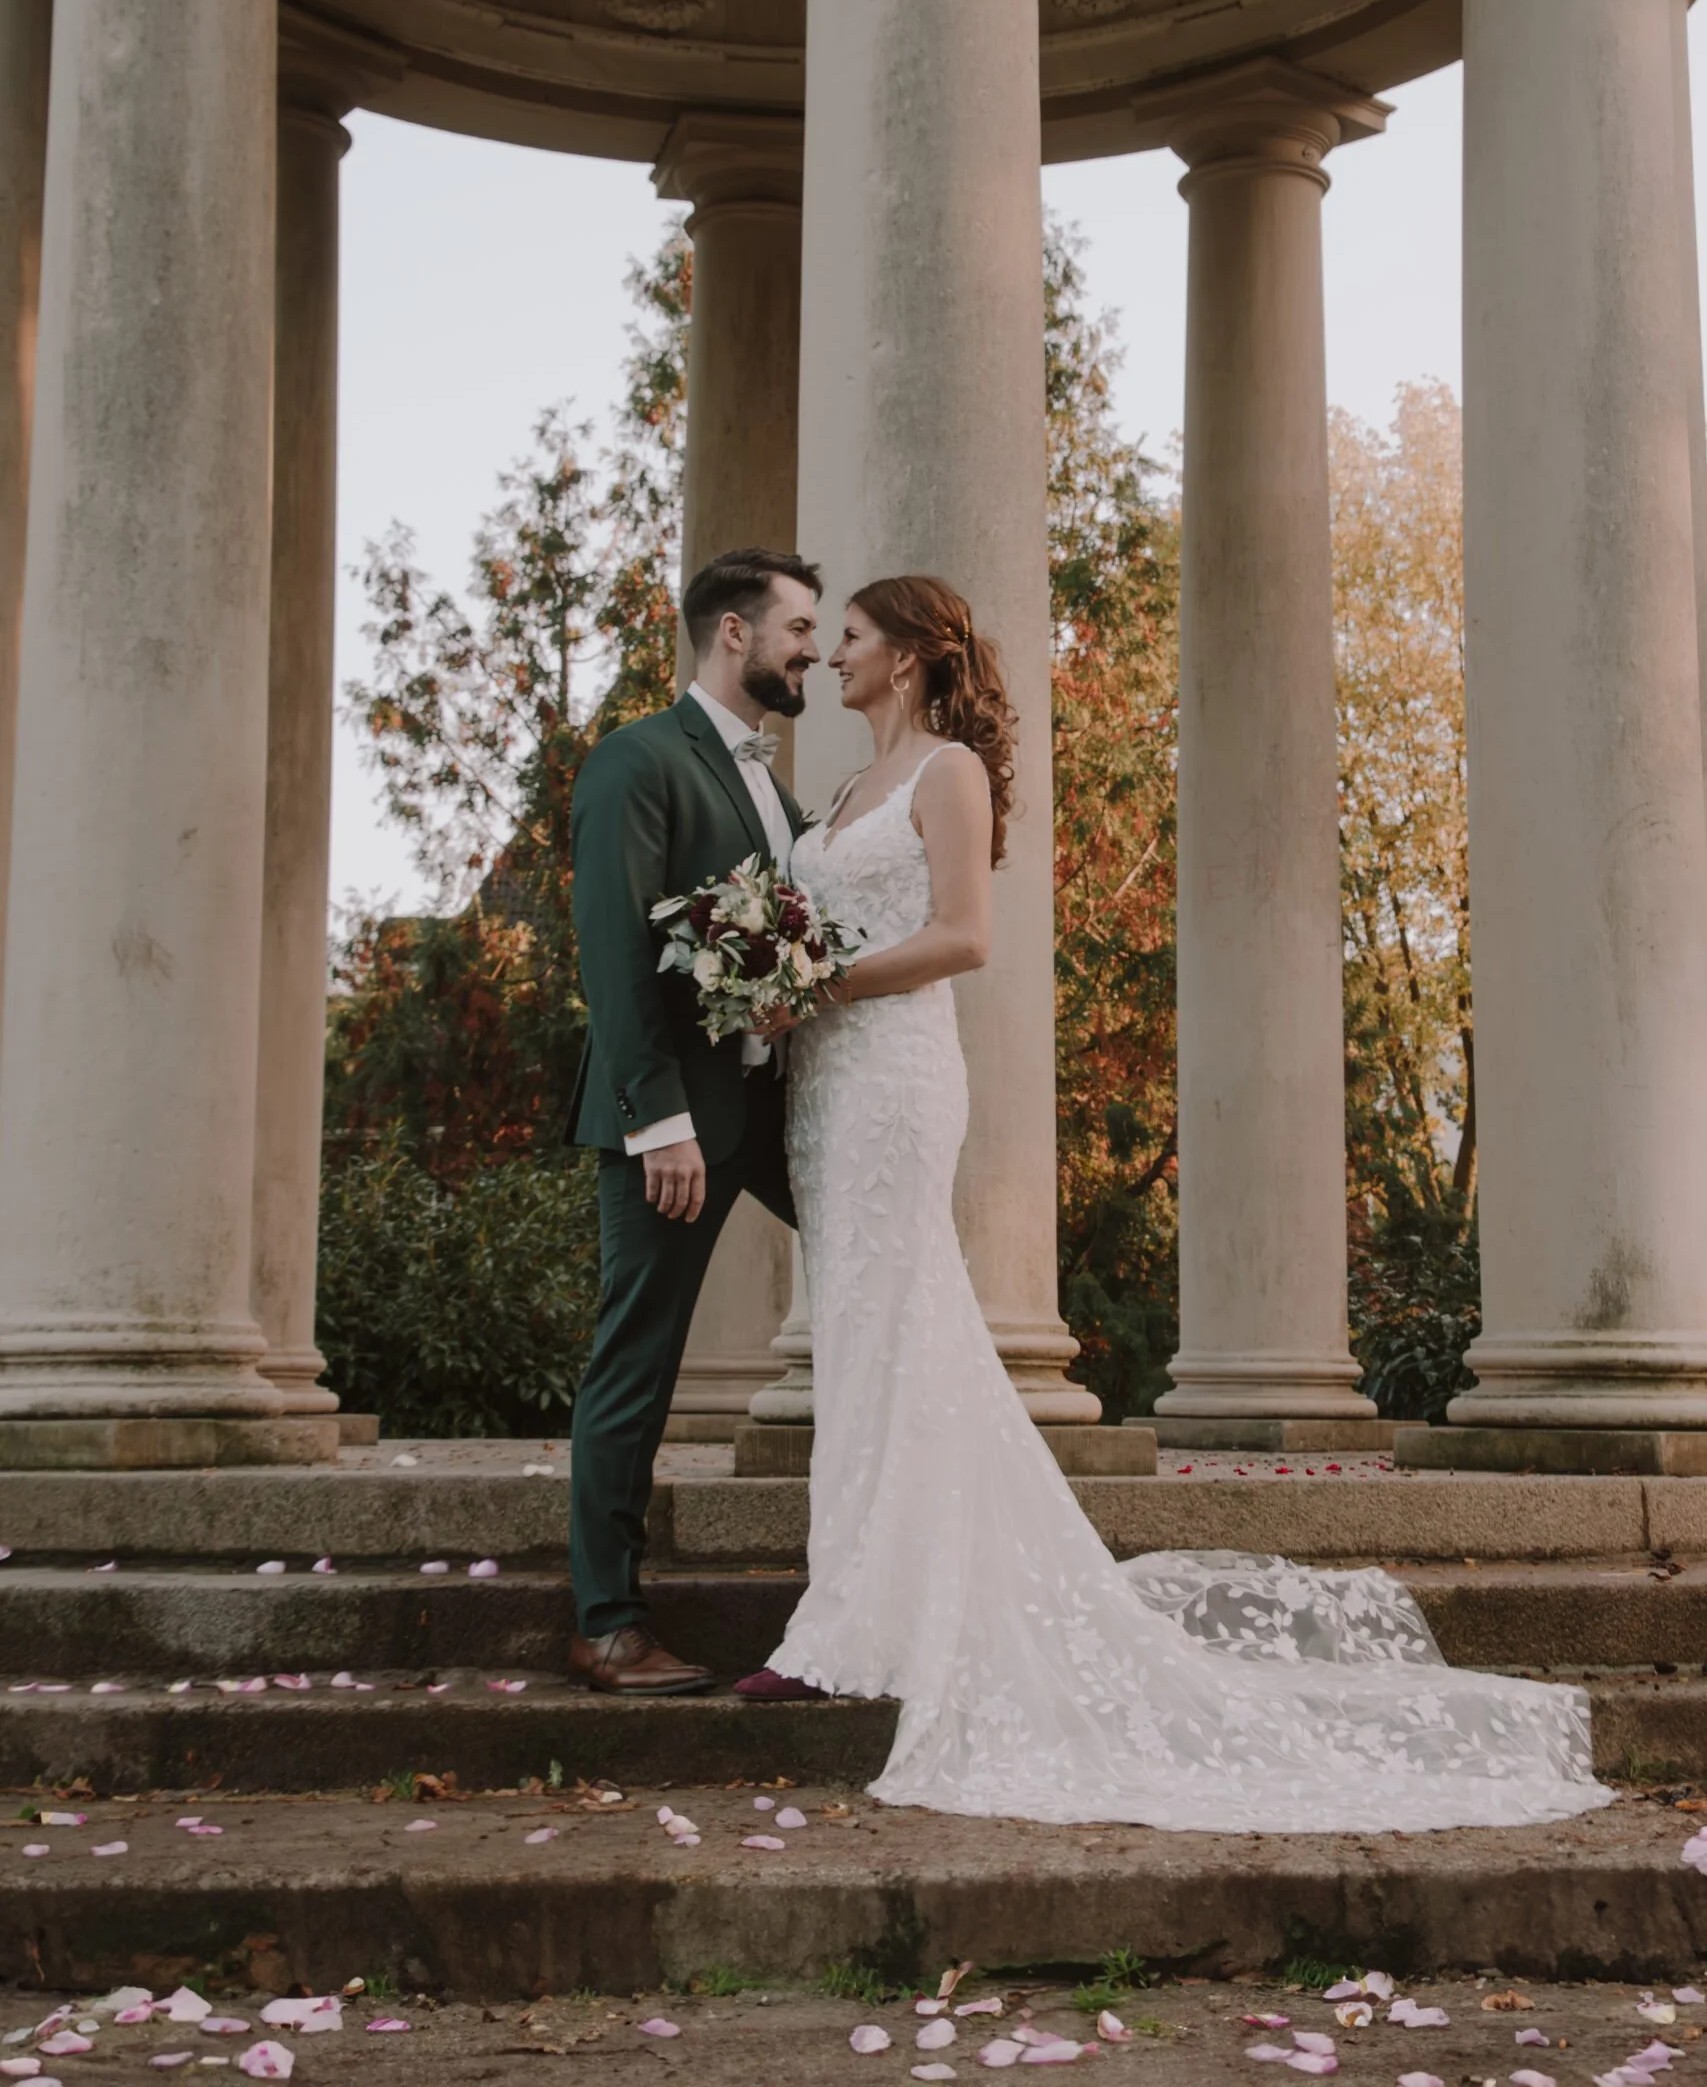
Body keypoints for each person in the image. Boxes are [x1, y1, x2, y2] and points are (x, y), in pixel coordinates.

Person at [732, 570, 1612, 1836]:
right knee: (867, 1338)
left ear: (913, 655)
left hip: (893, 1079)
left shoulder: (946, 774)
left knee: (895, 1323)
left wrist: (825, 982)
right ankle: (866, 1603)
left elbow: (967, 936)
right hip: (824, 1090)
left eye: (853, 637)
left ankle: (848, 1624)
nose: (833, 658)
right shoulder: (838, 792)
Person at [566, 547, 821, 1694]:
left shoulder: (774, 783)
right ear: (733, 632)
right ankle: (606, 1620)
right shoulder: (637, 760)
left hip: (777, 1108)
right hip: (676, 1119)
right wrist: (654, 1117)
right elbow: (615, 953)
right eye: (799, 627)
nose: (812, 649)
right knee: (640, 1358)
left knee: (888, 1279)